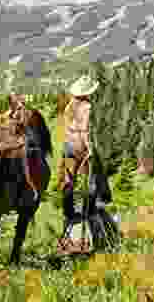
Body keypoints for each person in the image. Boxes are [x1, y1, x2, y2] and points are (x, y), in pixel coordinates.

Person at [58, 75, 100, 225]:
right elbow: (85, 130)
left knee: (69, 179)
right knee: (91, 178)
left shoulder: (70, 105)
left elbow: (66, 125)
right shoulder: (87, 107)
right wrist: (89, 148)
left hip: (68, 144)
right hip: (80, 146)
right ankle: (90, 210)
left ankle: (69, 212)